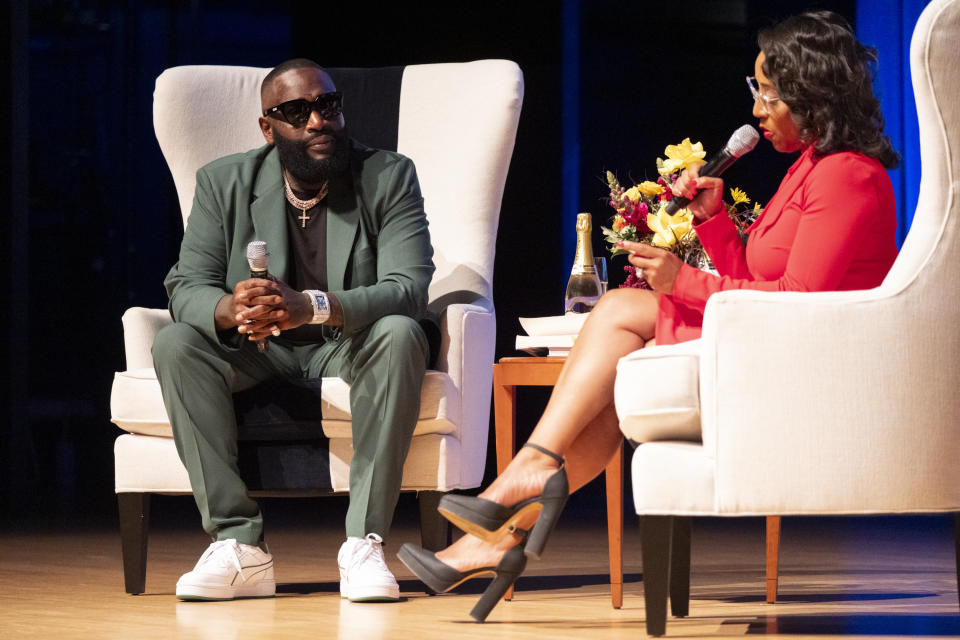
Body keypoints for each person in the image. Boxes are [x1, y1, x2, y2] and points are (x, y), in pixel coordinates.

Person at [398, 10, 899, 622]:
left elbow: (794, 298)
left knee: (619, 308)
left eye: (767, 93)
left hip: (803, 358)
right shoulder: (810, 167)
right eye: (756, 90)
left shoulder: (850, 175)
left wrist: (678, 280)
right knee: (609, 395)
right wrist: (713, 219)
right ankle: (490, 541)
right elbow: (758, 278)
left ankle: (523, 473)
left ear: (811, 92)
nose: (757, 110)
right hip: (766, 340)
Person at [152, 58, 435, 602]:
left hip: (349, 343)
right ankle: (239, 546)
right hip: (258, 348)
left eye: (326, 105)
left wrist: (312, 306)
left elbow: (408, 285)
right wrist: (229, 308)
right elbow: (185, 284)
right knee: (175, 342)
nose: (316, 121)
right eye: (295, 111)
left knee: (402, 331)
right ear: (268, 127)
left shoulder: (388, 175)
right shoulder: (223, 181)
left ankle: (364, 543)